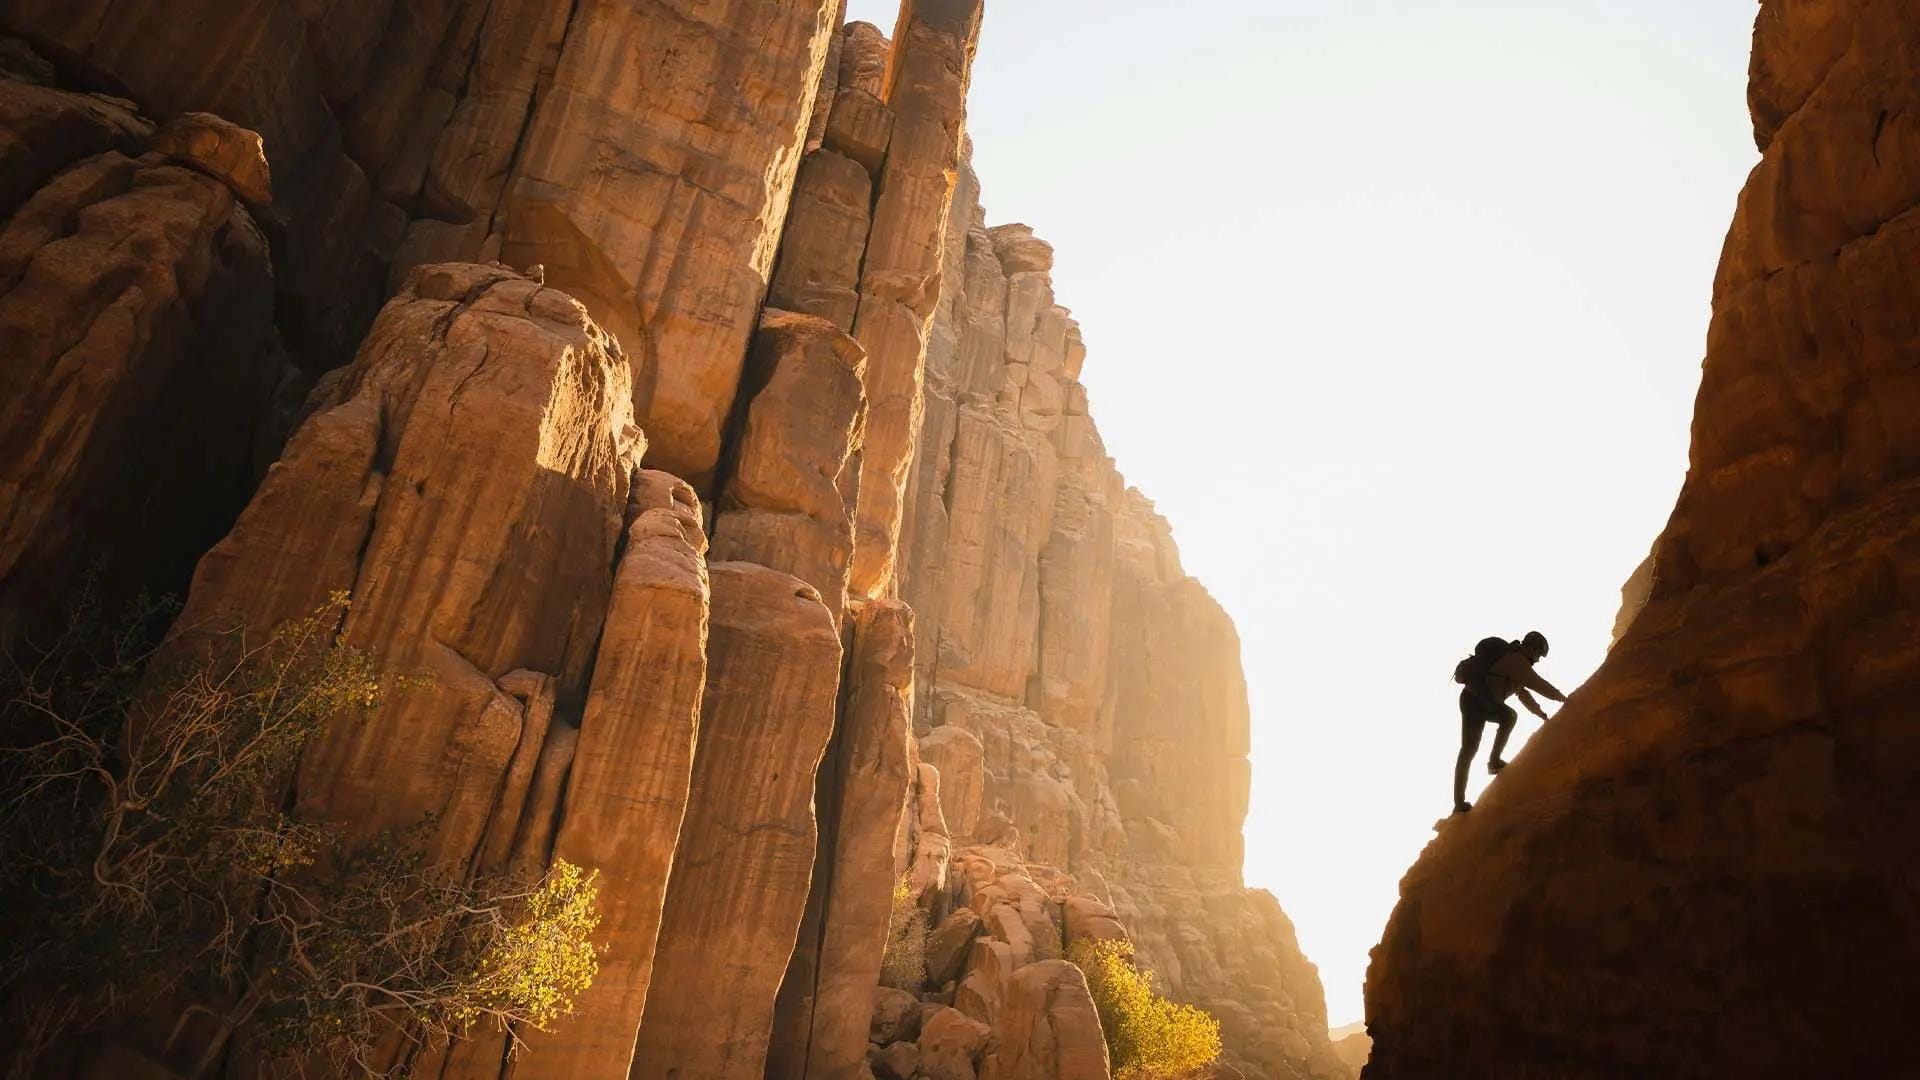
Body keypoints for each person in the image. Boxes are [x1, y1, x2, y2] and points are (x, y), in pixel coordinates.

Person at [1453, 630, 1566, 814]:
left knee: (1469, 749)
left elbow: (1524, 695)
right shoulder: (1516, 661)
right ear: (1530, 648)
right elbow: (1538, 684)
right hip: (1476, 701)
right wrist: (1564, 699)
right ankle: (1493, 762)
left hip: (1474, 699)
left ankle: (1460, 802)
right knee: (1507, 718)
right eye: (1538, 655)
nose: (1537, 660)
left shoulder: (1515, 663)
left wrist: (1542, 715)